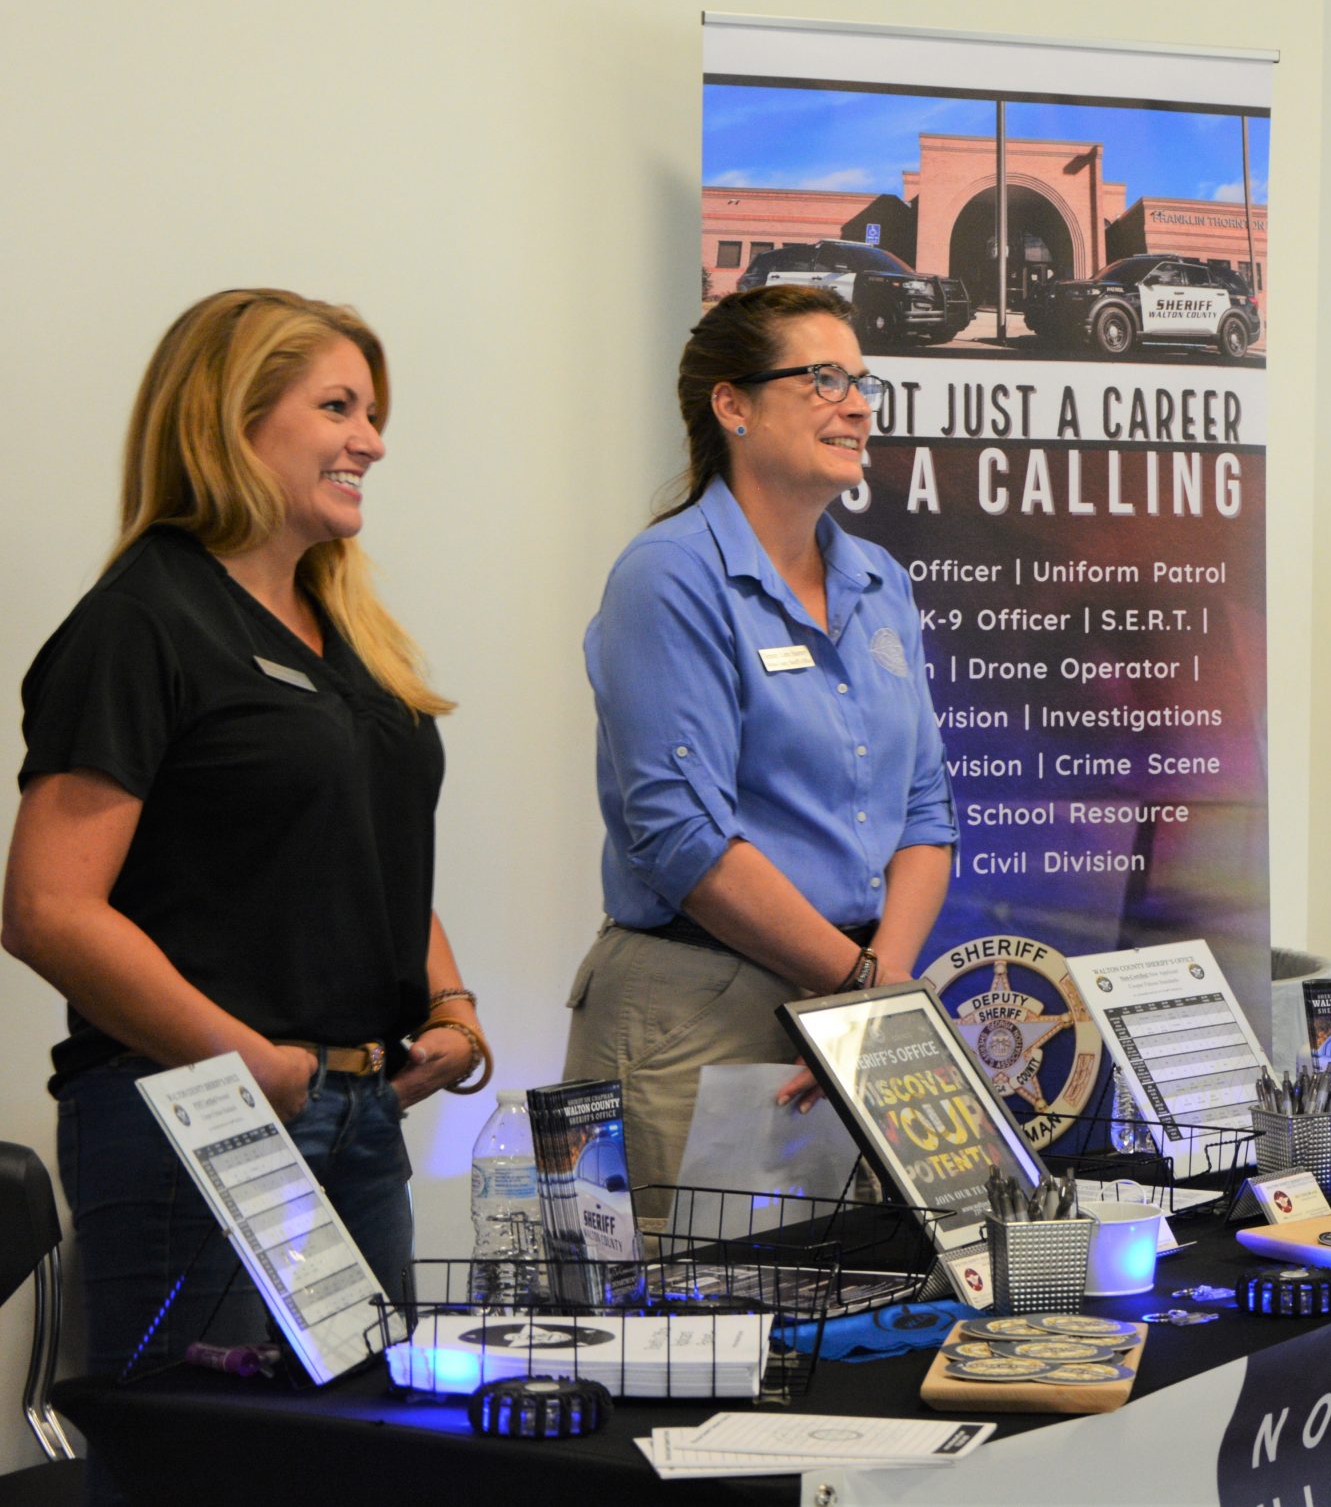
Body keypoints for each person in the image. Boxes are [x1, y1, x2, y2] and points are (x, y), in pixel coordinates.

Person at [1, 289, 489, 1380]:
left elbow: (361, 847)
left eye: (373, 411)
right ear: (232, 418)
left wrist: (448, 1005)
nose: (373, 439)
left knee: (371, 1454)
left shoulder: (345, 631)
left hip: (357, 1117)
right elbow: (46, 908)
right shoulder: (142, 622)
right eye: (338, 406)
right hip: (202, 1116)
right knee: (212, 1468)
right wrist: (255, 1063)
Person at [564, 283, 956, 1204]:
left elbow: (927, 811)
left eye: (861, 381)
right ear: (731, 405)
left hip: (858, 1000)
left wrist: (877, 991)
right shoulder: (668, 576)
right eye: (823, 379)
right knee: (705, 1327)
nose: (856, 404)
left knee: (855, 1323)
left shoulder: (879, 580)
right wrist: (861, 991)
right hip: (704, 1007)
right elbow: (681, 838)